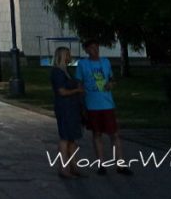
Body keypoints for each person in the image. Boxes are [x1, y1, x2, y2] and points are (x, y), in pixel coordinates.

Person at [75, 39, 132, 176]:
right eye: (92, 48)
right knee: (97, 134)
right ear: (86, 50)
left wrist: (111, 84)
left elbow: (111, 78)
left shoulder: (105, 62)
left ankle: (120, 164)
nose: (95, 50)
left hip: (107, 104)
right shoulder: (83, 64)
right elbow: (79, 84)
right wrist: (81, 103)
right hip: (92, 105)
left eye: (97, 47)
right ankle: (101, 164)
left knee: (114, 134)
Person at [50, 46, 85, 178]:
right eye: (67, 54)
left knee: (72, 138)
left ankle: (74, 166)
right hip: (65, 108)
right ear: (62, 56)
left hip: (72, 107)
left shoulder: (66, 71)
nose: (70, 56)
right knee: (65, 137)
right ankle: (64, 168)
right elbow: (61, 91)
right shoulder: (57, 72)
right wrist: (77, 91)